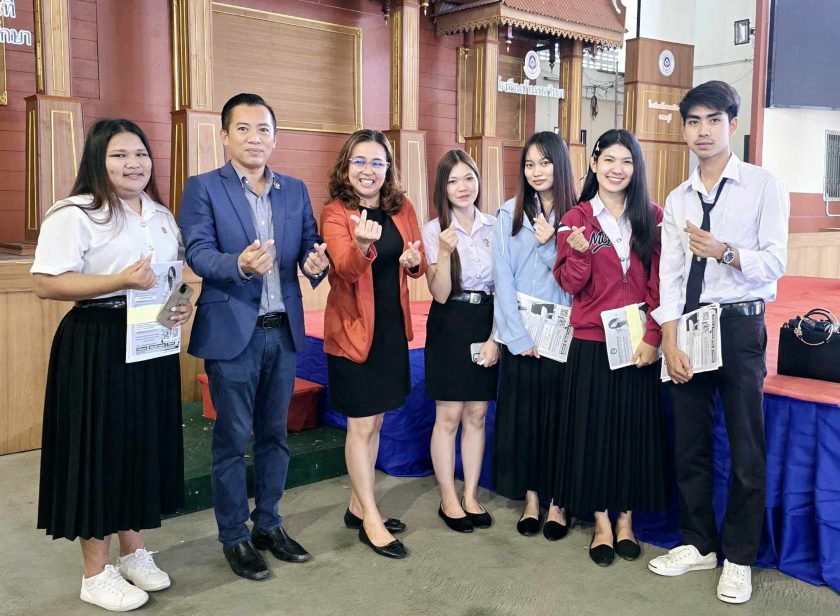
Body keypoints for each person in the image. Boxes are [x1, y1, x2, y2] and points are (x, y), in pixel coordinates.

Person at [32, 119, 191, 612]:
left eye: (140, 154)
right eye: (119, 155)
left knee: (141, 443)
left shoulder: (161, 215)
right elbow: (46, 282)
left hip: (151, 339)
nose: (133, 164)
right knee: (99, 449)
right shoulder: (76, 213)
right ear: (98, 161)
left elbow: (173, 277)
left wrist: (179, 306)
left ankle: (134, 552)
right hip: (97, 341)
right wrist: (118, 281)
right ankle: (95, 573)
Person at [648, 81, 789, 604]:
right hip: (689, 326)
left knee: (747, 447)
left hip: (739, 327)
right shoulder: (677, 198)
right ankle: (699, 542)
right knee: (690, 443)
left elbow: (776, 262)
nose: (702, 131)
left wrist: (726, 252)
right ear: (684, 129)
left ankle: (740, 557)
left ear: (732, 125)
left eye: (713, 120)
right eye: (693, 121)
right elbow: (669, 273)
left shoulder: (763, 186)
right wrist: (668, 337)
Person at [179, 93, 329, 581]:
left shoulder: (294, 190)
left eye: (263, 129)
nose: (254, 138)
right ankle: (234, 535)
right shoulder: (203, 187)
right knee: (230, 438)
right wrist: (239, 264)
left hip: (281, 333)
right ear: (225, 136)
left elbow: (310, 248)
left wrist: (316, 263)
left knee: (275, 435)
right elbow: (198, 251)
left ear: (275, 137)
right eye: (243, 129)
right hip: (232, 334)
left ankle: (268, 523)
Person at [553, 129, 667, 567]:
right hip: (591, 342)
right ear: (594, 163)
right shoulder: (576, 217)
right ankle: (601, 522)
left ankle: (626, 521)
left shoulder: (653, 216)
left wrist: (653, 336)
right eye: (609, 160)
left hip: (638, 343)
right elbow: (569, 283)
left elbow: (660, 281)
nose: (617, 169)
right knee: (594, 434)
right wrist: (580, 254)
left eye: (627, 161)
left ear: (636, 168)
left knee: (632, 434)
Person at [321, 129, 426, 559]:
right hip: (352, 333)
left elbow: (416, 260)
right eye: (360, 161)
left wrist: (414, 264)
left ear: (388, 168)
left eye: (377, 162)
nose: (369, 170)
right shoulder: (335, 212)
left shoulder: (402, 207)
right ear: (347, 166)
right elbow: (345, 270)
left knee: (377, 423)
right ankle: (370, 519)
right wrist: (363, 245)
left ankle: (357, 505)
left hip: (389, 332)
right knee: (361, 426)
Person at [492, 131, 576, 541]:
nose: (536, 171)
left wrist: (551, 244)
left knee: (560, 420)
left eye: (545, 162)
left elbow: (578, 279)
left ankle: (558, 502)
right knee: (525, 420)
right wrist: (517, 337)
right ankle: (530, 499)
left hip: (564, 335)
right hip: (522, 335)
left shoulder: (578, 216)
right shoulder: (508, 214)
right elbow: (502, 279)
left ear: (560, 165)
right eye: (529, 164)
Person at [421, 150, 499, 533]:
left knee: (477, 414)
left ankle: (471, 495)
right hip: (449, 322)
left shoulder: (496, 226)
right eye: (453, 181)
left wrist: (496, 337)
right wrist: (442, 251)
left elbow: (504, 288)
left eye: (468, 178)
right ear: (443, 188)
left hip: (486, 320)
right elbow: (438, 294)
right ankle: (448, 497)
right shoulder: (434, 229)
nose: (463, 187)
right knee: (449, 416)